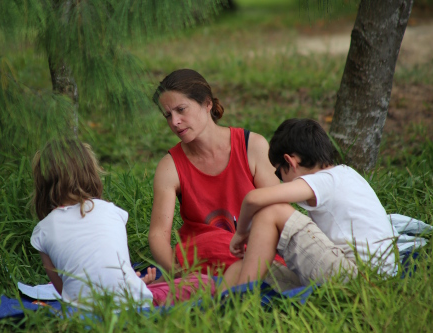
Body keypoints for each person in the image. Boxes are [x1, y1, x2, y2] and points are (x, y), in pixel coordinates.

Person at [30, 138, 213, 307]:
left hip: (83, 312)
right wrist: (135, 286)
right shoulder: (110, 210)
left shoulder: (42, 230)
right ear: (90, 172)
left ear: (42, 184)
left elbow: (64, 291)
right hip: (131, 303)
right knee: (204, 281)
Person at [226, 118, 397, 287]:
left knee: (271, 210)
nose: (281, 181)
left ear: (290, 161)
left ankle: (242, 294)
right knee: (239, 268)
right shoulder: (346, 174)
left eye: (279, 174)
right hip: (366, 276)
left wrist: (240, 234)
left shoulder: (324, 180)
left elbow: (253, 198)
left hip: (360, 276)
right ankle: (222, 308)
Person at [149, 69, 285, 280]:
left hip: (252, 247)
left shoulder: (252, 146)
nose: (174, 121)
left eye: (181, 110)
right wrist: (179, 274)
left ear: (207, 104)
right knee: (209, 242)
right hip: (203, 257)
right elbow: (158, 235)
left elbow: (277, 209)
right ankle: (254, 275)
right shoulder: (170, 167)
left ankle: (249, 273)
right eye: (168, 115)